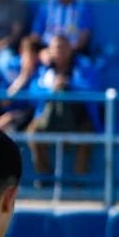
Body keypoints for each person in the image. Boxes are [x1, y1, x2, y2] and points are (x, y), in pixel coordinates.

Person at [27, 33, 97, 179]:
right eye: (55, 48)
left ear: (70, 49)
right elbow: (33, 93)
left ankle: (79, 181)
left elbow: (91, 89)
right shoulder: (44, 70)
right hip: (47, 119)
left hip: (78, 118)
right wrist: (52, 89)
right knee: (32, 132)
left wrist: (68, 86)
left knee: (87, 133)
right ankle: (44, 178)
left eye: (63, 47)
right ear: (50, 51)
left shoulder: (83, 67)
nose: (59, 51)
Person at [32, 0, 96, 57]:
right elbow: (36, 33)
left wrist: (66, 52)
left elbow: (84, 34)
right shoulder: (46, 7)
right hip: (48, 49)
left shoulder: (82, 8)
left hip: (72, 51)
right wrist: (42, 51)